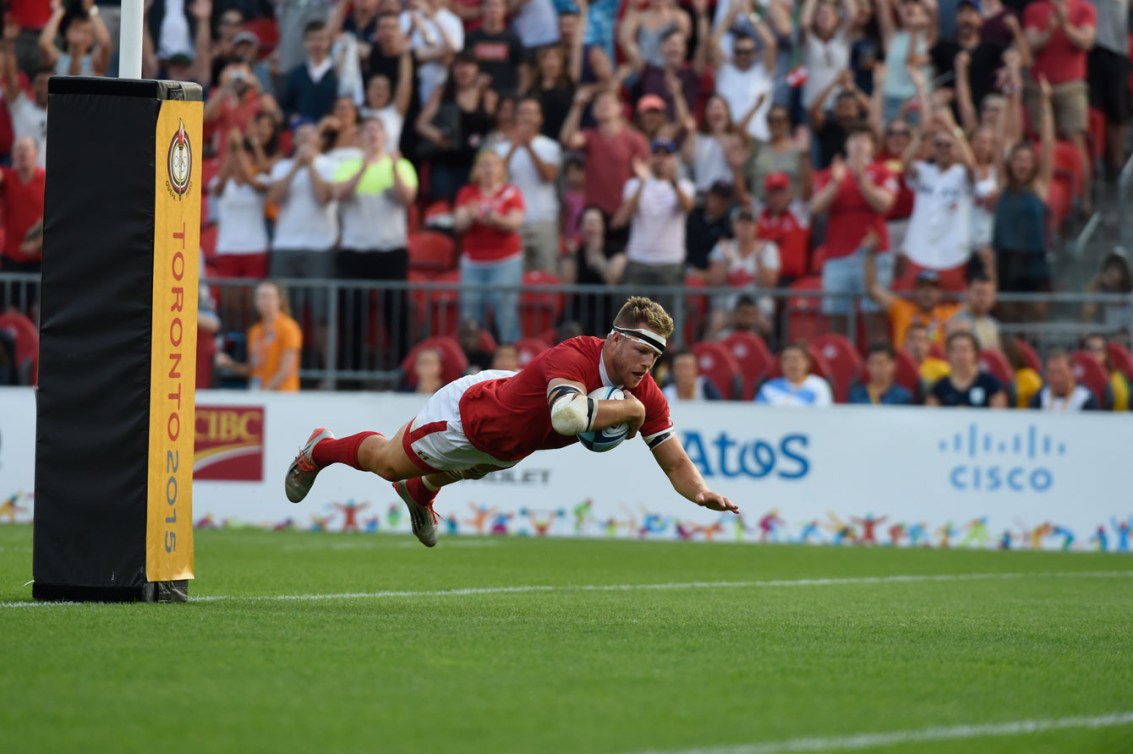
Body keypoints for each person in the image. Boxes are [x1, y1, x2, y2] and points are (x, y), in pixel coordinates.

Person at [284, 296, 739, 548]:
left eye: (656, 355)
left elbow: (673, 457)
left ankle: (420, 493)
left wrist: (700, 492)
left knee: (475, 465)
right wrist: (631, 412)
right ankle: (318, 451)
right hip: (468, 417)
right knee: (387, 462)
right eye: (642, 350)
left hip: (509, 441)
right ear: (615, 339)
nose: (648, 363)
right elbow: (567, 417)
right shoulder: (577, 355)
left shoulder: (645, 388)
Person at [333, 117, 418, 365]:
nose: (373, 135)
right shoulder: (348, 165)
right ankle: (350, 375)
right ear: (361, 137)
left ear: (384, 136)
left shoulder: (401, 165)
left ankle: (403, 371)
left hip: (390, 250)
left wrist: (393, 168)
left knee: (395, 313)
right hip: (355, 250)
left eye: (377, 130)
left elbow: (407, 198)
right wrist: (362, 167)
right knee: (351, 314)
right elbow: (339, 194)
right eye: (368, 131)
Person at [810, 125, 896, 338]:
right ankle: (842, 367)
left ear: (873, 147)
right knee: (837, 321)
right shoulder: (831, 173)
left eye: (865, 140)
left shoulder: (882, 172)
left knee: (875, 317)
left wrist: (861, 178)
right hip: (838, 256)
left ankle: (878, 368)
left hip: (874, 256)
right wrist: (835, 183)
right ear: (846, 144)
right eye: (854, 139)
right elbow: (816, 207)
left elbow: (883, 204)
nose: (859, 144)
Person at [613, 139, 695, 313]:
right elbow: (621, 219)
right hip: (638, 261)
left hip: (670, 263)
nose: (661, 159)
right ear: (650, 157)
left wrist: (673, 181)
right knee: (631, 321)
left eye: (667, 155)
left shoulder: (684, 186)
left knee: (669, 322)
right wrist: (643, 182)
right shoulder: (634, 185)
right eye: (657, 154)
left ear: (674, 159)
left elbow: (687, 207)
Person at [454, 150, 526, 344]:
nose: (488, 169)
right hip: (474, 261)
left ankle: (510, 359)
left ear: (501, 169)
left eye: (493, 164)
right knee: (471, 312)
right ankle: (475, 357)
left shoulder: (511, 192)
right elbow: (458, 223)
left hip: (505, 261)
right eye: (484, 165)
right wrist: (469, 215)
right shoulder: (467, 193)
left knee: (506, 313)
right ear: (476, 169)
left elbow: (515, 222)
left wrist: (497, 220)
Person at [495, 97, 562, 275]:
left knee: (547, 275)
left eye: (532, 113)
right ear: (516, 117)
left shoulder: (550, 146)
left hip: (544, 220)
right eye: (523, 113)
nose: (527, 117)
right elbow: (496, 180)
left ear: (540, 118)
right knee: (515, 276)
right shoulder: (502, 148)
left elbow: (549, 176)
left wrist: (529, 147)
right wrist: (513, 147)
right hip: (514, 221)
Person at [216, 281, 302, 392]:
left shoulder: (289, 327)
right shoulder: (254, 331)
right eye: (260, 297)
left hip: (282, 396)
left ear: (279, 300)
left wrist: (264, 392)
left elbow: (285, 371)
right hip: (259, 393)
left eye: (268, 296)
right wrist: (229, 364)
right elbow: (253, 368)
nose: (264, 301)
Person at [0, 137, 45, 276]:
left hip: (39, 258)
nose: (22, 153)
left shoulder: (45, 180)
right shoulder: (7, 177)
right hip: (10, 257)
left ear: (36, 153)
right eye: (18, 149)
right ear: (12, 155)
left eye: (25, 149)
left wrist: (38, 243)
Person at [279, 20, 338, 125]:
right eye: (312, 39)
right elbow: (285, 106)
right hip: (302, 132)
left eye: (321, 39)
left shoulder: (337, 73)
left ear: (329, 42)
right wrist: (292, 117)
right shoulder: (296, 74)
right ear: (304, 43)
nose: (317, 44)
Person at [926, 331, 1007, 407]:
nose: (960, 355)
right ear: (948, 354)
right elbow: (930, 416)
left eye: (965, 349)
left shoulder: (991, 384)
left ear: (975, 353)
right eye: (955, 350)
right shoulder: (940, 387)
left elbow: (999, 417)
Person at [755, 343, 834, 407]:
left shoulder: (819, 386)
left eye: (795, 359)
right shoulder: (768, 388)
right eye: (786, 359)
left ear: (807, 362)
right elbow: (759, 415)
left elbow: (823, 417)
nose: (791, 364)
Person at [948, 270, 1002, 352]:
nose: (982, 299)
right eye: (979, 293)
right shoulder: (958, 322)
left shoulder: (992, 324)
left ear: (993, 297)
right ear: (967, 293)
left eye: (986, 294)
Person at [1029, 349, 1097, 411]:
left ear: (1071, 371)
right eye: (1052, 373)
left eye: (1061, 372)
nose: (1056, 378)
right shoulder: (1040, 397)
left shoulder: (1085, 398)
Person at [848, 343, 913, 405]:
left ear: (893, 365)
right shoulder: (856, 396)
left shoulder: (903, 397)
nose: (876, 369)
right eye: (872, 363)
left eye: (881, 364)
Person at [1082, 333, 1130, 411]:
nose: (1093, 354)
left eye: (1099, 350)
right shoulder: (1074, 376)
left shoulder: (1116, 379)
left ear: (1106, 354)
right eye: (1089, 349)